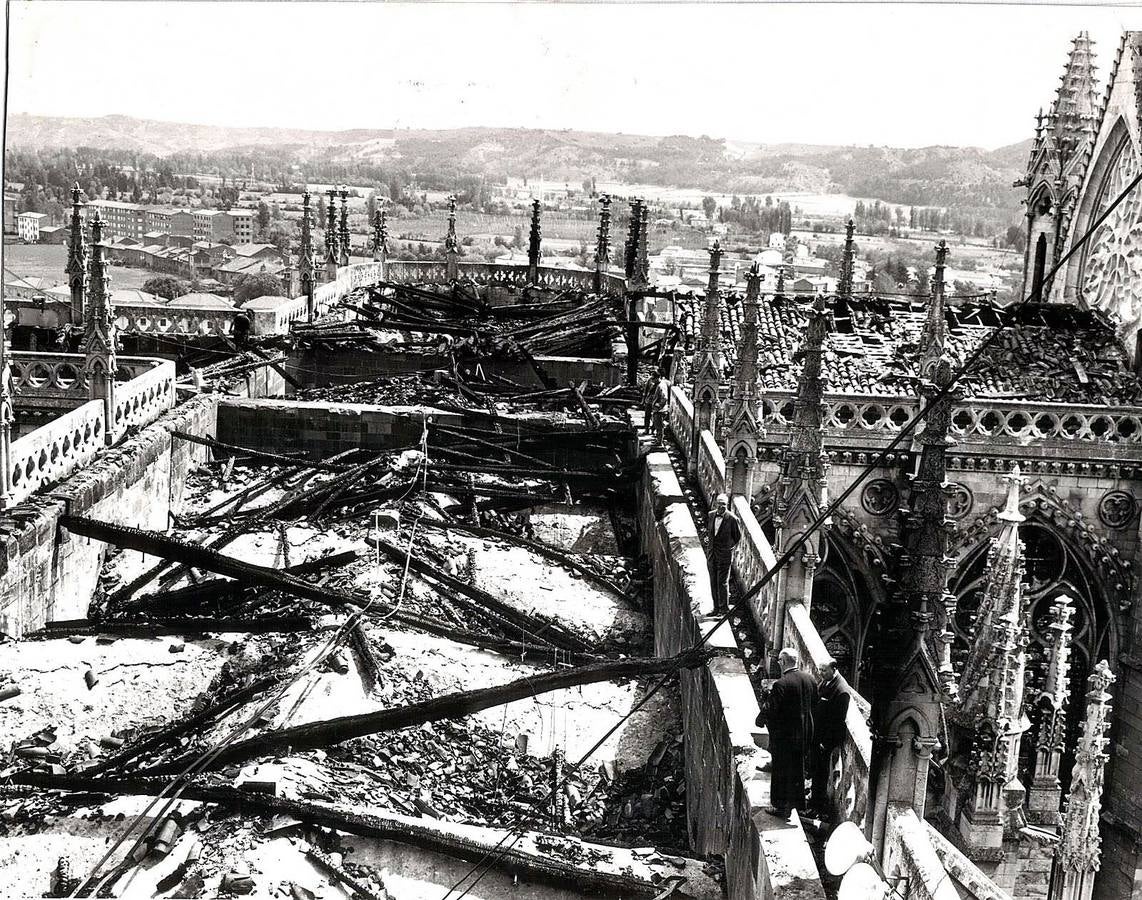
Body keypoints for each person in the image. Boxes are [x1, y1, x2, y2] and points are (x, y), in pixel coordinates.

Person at [762, 648, 816, 818]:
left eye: (779, 660)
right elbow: (815, 704)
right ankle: (798, 805)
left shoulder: (781, 684)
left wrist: (761, 717)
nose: (778, 663)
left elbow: (772, 710)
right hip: (805, 733)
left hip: (785, 736)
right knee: (797, 769)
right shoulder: (810, 679)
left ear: (784, 662)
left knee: (780, 770)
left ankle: (780, 806)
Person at [808, 657, 853, 818]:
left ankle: (817, 807)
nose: (820, 673)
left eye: (824, 670)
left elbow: (837, 721)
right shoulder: (826, 682)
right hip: (817, 736)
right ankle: (813, 800)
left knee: (821, 774)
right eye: (819, 670)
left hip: (824, 742)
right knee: (815, 770)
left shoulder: (841, 691)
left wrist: (825, 743)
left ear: (834, 669)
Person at [707, 493, 741, 613]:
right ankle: (716, 608)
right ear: (716, 504)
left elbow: (737, 537)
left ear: (727, 505)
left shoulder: (732, 519)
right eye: (719, 504)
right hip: (712, 554)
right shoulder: (711, 515)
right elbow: (710, 533)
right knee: (713, 580)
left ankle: (724, 609)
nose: (721, 507)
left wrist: (727, 548)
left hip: (725, 555)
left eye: (724, 505)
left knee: (722, 582)